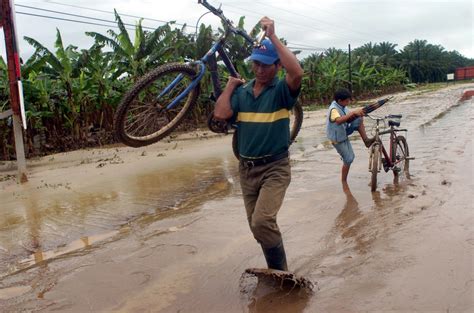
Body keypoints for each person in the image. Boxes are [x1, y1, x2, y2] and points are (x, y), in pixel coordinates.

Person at [214, 16, 303, 271]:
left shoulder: (281, 92)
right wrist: (230, 87)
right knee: (257, 227)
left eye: (266, 65)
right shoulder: (242, 92)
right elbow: (220, 114)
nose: (260, 70)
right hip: (246, 170)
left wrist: (273, 36)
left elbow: (296, 72)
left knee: (262, 221)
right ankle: (277, 272)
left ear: (277, 66)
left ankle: (281, 272)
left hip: (275, 168)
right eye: (256, 64)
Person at [326, 88, 374, 182]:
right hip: (337, 138)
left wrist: (359, 113)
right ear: (340, 101)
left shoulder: (343, 106)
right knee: (348, 159)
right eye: (347, 101)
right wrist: (353, 113)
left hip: (343, 132)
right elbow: (339, 121)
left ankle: (366, 141)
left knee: (359, 119)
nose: (348, 102)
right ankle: (343, 181)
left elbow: (349, 117)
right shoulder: (333, 109)